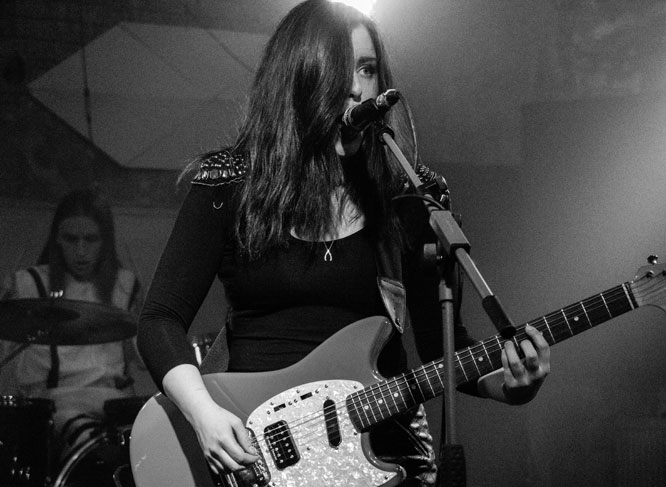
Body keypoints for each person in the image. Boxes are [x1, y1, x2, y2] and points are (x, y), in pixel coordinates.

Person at [136, 1, 551, 485]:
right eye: (339, 70)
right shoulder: (232, 183)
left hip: (384, 457)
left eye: (368, 69)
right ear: (297, 79)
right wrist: (203, 414)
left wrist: (511, 385)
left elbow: (445, 346)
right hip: (259, 460)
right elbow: (159, 320)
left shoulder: (409, 196)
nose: (356, 87)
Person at [0, 188, 147, 465]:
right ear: (56, 238)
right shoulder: (28, 284)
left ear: (105, 240)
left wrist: (146, 320)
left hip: (114, 399)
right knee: (76, 428)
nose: (80, 251)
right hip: (53, 400)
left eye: (90, 239)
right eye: (71, 239)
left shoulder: (125, 284)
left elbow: (143, 361)